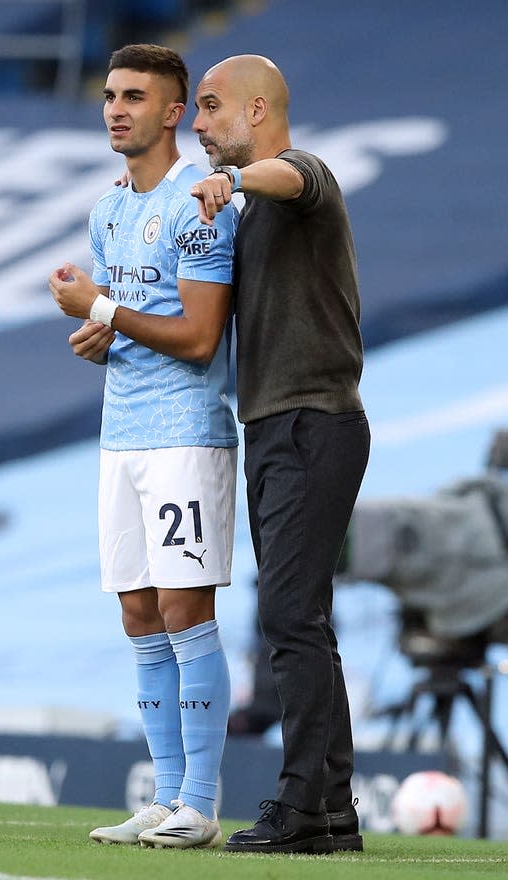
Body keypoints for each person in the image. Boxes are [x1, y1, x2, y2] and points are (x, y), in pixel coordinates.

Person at [49, 44, 239, 850]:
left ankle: (201, 798)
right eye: (108, 95)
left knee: (184, 607)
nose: (115, 108)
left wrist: (106, 311)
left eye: (135, 95)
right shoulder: (107, 210)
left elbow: (199, 339)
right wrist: (97, 331)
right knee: (136, 611)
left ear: (173, 111)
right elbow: (122, 318)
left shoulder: (199, 206)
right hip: (119, 433)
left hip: (185, 435)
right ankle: (164, 797)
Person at [189, 54, 371, 855]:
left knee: (291, 617)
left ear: (258, 111)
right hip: (278, 425)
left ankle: (299, 810)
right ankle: (330, 807)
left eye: (210, 106)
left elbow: (294, 176)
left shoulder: (300, 180)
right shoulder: (247, 213)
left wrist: (238, 182)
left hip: (311, 420)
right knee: (304, 618)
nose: (198, 123)